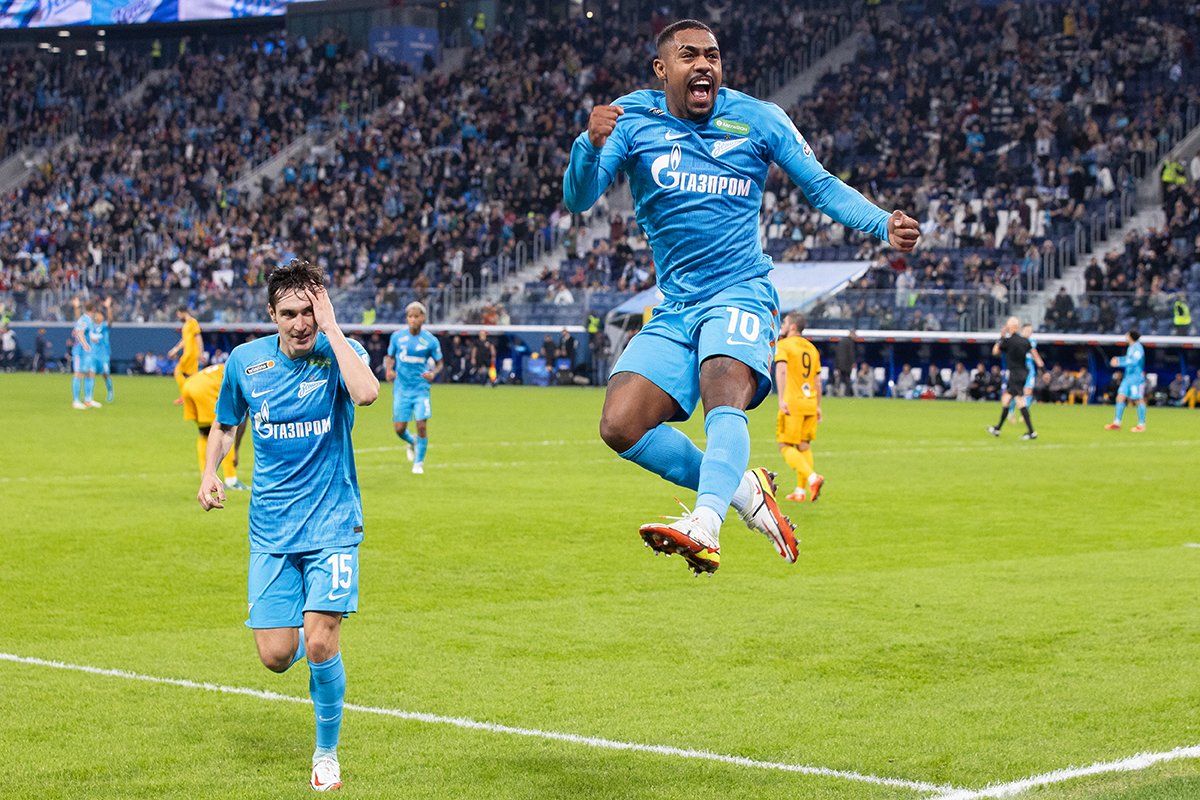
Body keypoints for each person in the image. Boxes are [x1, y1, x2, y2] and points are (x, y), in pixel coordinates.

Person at [563, 18, 919, 575]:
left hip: (740, 291)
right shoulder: (631, 118)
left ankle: (705, 524)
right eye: (689, 55)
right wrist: (589, 146)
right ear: (662, 70)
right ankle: (744, 491)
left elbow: (821, 185)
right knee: (620, 425)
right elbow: (579, 197)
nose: (704, 64)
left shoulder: (759, 118)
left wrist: (881, 222)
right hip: (676, 305)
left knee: (721, 386)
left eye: (712, 55)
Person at [196, 260, 379, 792]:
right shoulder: (245, 362)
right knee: (276, 656)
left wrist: (333, 328)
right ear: (272, 315)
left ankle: (326, 754)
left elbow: (367, 393)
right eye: (290, 313)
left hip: (332, 524)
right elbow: (226, 423)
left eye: (309, 312)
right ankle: (312, 630)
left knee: (321, 644)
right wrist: (210, 471)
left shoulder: (340, 352)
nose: (301, 324)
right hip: (271, 529)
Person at [384, 301, 443, 475]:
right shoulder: (397, 337)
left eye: (416, 316)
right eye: (410, 316)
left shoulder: (430, 341)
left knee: (421, 425)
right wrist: (389, 370)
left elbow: (440, 363)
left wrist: (433, 373)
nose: (413, 320)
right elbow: (390, 356)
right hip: (401, 389)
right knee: (399, 428)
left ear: (423, 318)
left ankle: (418, 463)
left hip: (420, 389)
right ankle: (412, 441)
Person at [774, 313, 825, 503]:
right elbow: (817, 381)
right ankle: (800, 491)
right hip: (810, 402)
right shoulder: (812, 349)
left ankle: (812, 478)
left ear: (793, 327)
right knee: (804, 446)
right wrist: (818, 405)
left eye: (785, 322)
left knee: (785, 445)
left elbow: (782, 370)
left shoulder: (784, 345)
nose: (782, 325)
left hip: (792, 402)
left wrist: (781, 398)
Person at [182, 363, 248, 490]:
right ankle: (231, 480)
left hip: (189, 385)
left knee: (204, 432)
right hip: (205, 389)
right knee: (225, 430)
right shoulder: (246, 377)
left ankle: (205, 477)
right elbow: (243, 419)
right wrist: (236, 450)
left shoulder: (229, 365)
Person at [987, 316, 1041, 440]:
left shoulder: (1008, 341)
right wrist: (1043, 370)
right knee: (1006, 400)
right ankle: (997, 428)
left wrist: (1002, 335)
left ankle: (1031, 432)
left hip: (1015, 374)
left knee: (1019, 401)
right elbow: (1036, 356)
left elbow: (995, 351)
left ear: (1010, 327)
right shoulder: (1025, 341)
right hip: (1023, 373)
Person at [1105, 328, 1147, 432]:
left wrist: (1119, 362)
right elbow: (1128, 358)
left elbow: (1134, 362)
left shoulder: (1138, 348)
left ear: (1131, 337)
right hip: (1128, 377)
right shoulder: (1131, 347)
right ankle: (1117, 423)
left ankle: (1141, 425)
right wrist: (1118, 359)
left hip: (1136, 378)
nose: (1125, 337)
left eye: (1127, 335)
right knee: (1120, 397)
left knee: (1137, 399)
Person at [169, 306, 203, 406]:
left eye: (178, 314)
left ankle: (185, 396)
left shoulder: (192, 322)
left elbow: (198, 337)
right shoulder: (186, 324)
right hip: (189, 353)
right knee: (193, 377)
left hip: (190, 354)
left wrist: (201, 353)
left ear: (182, 312)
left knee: (177, 371)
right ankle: (194, 397)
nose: (178, 316)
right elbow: (184, 340)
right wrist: (175, 350)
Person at [70, 299, 100, 409]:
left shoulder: (89, 320)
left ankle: (88, 399)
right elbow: (79, 333)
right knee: (78, 373)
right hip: (80, 353)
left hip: (88, 354)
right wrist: (85, 345)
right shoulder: (84, 320)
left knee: (90, 373)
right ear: (93, 309)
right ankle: (76, 401)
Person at [1007, 323, 1040, 418]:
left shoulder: (1032, 342)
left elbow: (1034, 355)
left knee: (1028, 391)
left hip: (1030, 371)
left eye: (1031, 331)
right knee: (1016, 392)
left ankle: (1024, 415)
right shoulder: (1017, 341)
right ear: (1022, 330)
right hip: (1018, 370)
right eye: (1027, 330)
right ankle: (1011, 411)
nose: (1029, 333)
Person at [88, 297, 115, 402]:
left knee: (105, 374)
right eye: (96, 314)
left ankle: (110, 391)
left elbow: (110, 321)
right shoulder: (91, 326)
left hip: (103, 354)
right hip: (93, 354)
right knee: (91, 374)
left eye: (100, 315)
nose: (98, 316)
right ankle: (89, 396)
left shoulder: (104, 326)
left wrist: (108, 308)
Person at [833, 330, 856, 397]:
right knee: (847, 379)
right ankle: (847, 393)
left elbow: (837, 354)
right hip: (847, 365)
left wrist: (837, 365)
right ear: (851, 334)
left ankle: (837, 393)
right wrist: (853, 362)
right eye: (854, 335)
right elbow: (851, 353)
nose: (855, 337)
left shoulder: (841, 341)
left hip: (839, 365)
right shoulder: (850, 342)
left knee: (839, 379)